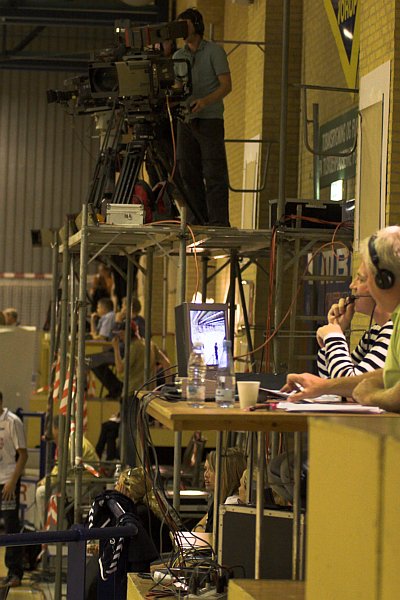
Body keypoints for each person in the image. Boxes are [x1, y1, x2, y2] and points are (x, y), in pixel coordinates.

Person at [283, 226, 400, 412]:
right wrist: (322, 385)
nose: (353, 286)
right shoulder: (391, 323)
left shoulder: (394, 327)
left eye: (363, 279)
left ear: (384, 281)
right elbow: (343, 381)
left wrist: (334, 338)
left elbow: (355, 389)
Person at [174, 8, 232, 227]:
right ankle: (196, 219)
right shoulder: (178, 57)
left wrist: (205, 102)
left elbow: (226, 86)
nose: (182, 30)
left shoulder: (215, 52)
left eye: (185, 24)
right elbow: (178, 87)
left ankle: (218, 220)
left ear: (196, 25)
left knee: (213, 171)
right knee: (187, 172)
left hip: (210, 120)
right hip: (186, 121)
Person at [316, 261, 392, 378]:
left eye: (360, 280)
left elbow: (349, 389)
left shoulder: (395, 331)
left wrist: (334, 338)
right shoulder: (375, 332)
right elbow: (330, 383)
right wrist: (337, 328)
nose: (352, 286)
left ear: (383, 286)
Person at [35, 415, 99, 530]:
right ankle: (57, 527)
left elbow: (59, 471)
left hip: (82, 484)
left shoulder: (70, 443)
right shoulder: (76, 439)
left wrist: (44, 482)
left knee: (41, 492)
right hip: (83, 482)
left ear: (57, 428)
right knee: (54, 490)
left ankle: (49, 532)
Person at [91, 321, 171, 399]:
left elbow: (120, 369)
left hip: (133, 393)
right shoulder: (150, 344)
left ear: (128, 333)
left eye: (122, 334)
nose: (121, 338)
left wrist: (116, 349)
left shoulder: (134, 348)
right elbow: (166, 362)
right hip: (149, 393)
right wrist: (168, 387)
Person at [0, 391, 28, 589]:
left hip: (7, 481)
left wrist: (12, 481)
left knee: (11, 525)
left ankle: (15, 571)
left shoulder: (12, 421)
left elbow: (23, 455)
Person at [193, 447, 246, 533]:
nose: (206, 475)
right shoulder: (219, 500)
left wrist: (200, 527)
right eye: (205, 469)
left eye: (212, 470)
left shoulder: (232, 505)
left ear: (226, 473)